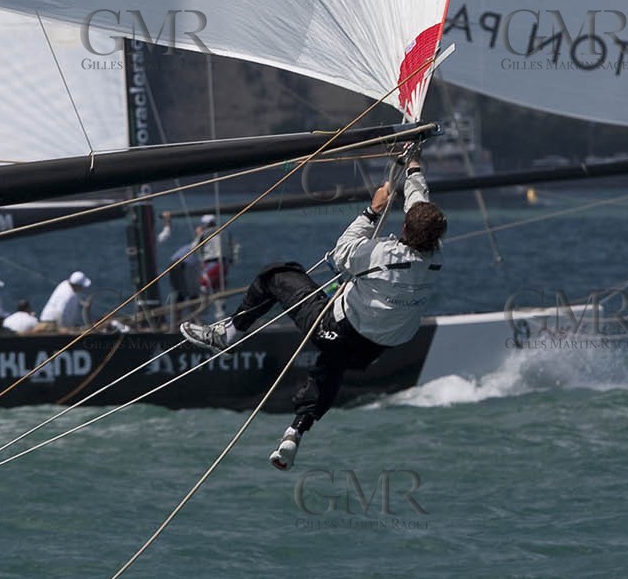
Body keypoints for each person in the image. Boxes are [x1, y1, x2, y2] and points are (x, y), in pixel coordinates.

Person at [181, 145, 446, 470]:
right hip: (376, 348)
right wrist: (413, 161)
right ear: (435, 237)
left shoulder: (381, 255)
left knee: (276, 274)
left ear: (405, 228)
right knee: (330, 366)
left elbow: (340, 255)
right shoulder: (436, 256)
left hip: (338, 330)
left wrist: (373, 211)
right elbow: (421, 200)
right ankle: (295, 432)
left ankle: (228, 334)